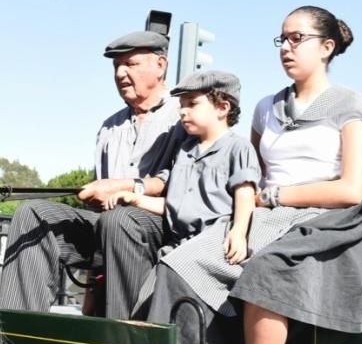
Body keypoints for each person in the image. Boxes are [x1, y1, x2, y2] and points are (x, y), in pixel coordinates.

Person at [149, 6, 362, 344]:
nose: (286, 48)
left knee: (266, 273)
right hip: (267, 211)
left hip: (328, 218)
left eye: (297, 39)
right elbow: (248, 175)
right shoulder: (267, 107)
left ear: (326, 48)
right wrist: (238, 220)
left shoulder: (352, 105)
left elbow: (349, 188)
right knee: (179, 263)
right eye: (282, 39)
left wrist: (278, 198)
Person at [0, 30, 185, 313]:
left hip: (163, 226)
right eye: (116, 66)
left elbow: (185, 184)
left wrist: (125, 189)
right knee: (32, 214)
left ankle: (121, 339)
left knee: (120, 221)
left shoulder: (184, 114)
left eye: (131, 64)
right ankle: (18, 333)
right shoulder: (109, 127)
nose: (121, 73)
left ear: (161, 65)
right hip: (111, 226)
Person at [105, 71, 260, 302]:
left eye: (192, 104)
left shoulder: (238, 148)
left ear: (222, 108)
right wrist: (135, 198)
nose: (182, 111)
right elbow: (175, 205)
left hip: (213, 242)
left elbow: (245, 194)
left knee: (173, 281)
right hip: (177, 245)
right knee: (145, 296)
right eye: (181, 105)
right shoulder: (184, 151)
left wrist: (239, 232)